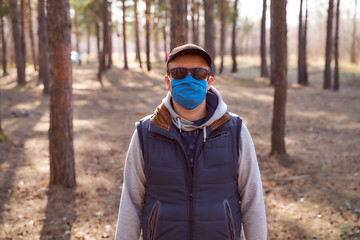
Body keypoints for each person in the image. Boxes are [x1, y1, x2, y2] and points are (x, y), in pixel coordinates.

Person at [115, 43, 267, 240]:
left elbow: (252, 201)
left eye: (198, 73)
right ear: (168, 81)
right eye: (178, 72)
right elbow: (131, 203)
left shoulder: (235, 130)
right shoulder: (146, 133)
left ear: (209, 81)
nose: (188, 79)